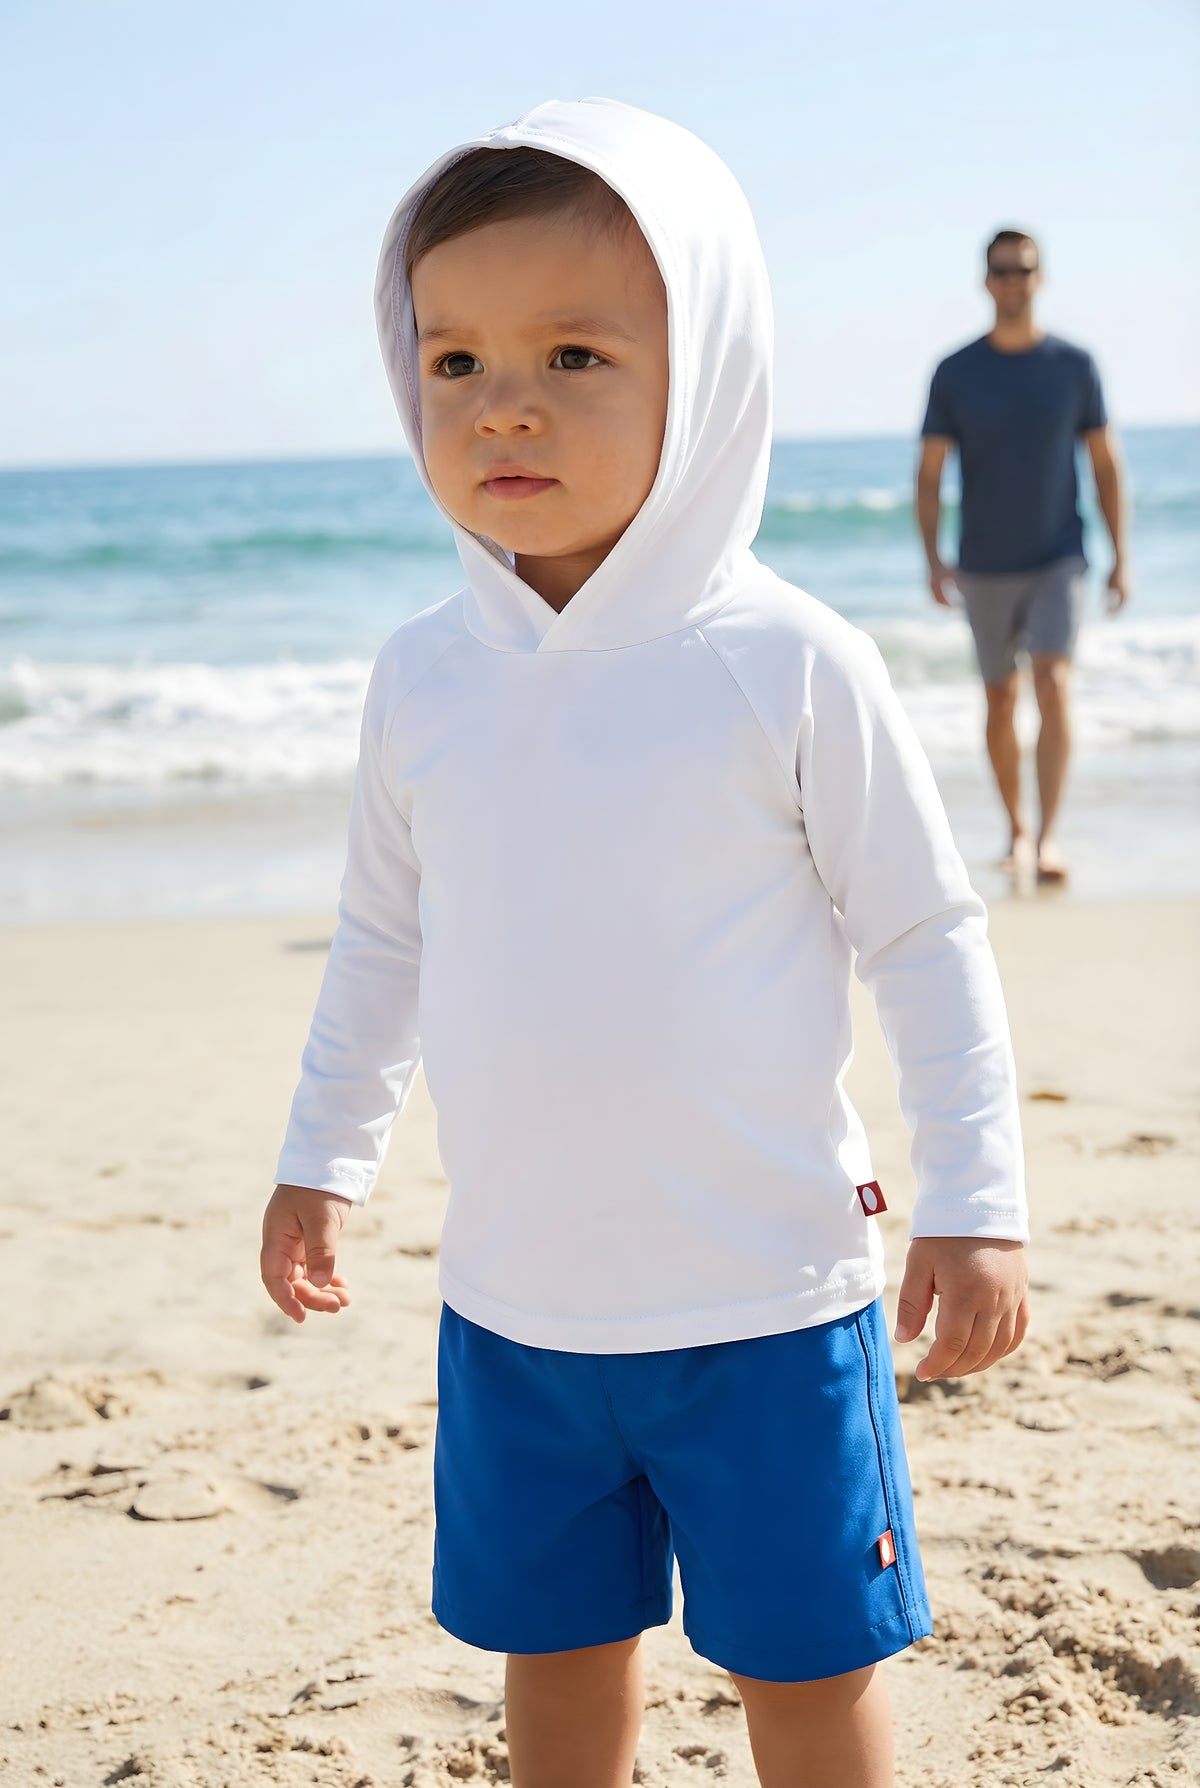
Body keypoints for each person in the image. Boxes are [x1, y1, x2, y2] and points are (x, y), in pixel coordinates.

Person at [260, 100, 1029, 1788]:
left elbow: (923, 933)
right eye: (451, 360)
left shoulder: (785, 659)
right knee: (554, 1658)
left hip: (766, 1303)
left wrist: (974, 1203)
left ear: (712, 369)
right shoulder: (424, 675)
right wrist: (324, 1154)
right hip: (518, 1308)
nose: (504, 402)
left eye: (576, 353)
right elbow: (382, 940)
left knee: (808, 1669)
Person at [916, 229, 1129, 887]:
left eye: (1023, 269)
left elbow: (1104, 464)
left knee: (1053, 682)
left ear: (1040, 278)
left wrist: (1121, 555)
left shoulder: (1074, 365)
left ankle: (1052, 836)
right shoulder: (955, 371)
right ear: (986, 281)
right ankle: (1017, 830)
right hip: (982, 561)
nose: (1012, 280)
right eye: (1001, 270)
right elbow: (928, 474)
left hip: (1059, 554)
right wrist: (933, 558)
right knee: (1000, 697)